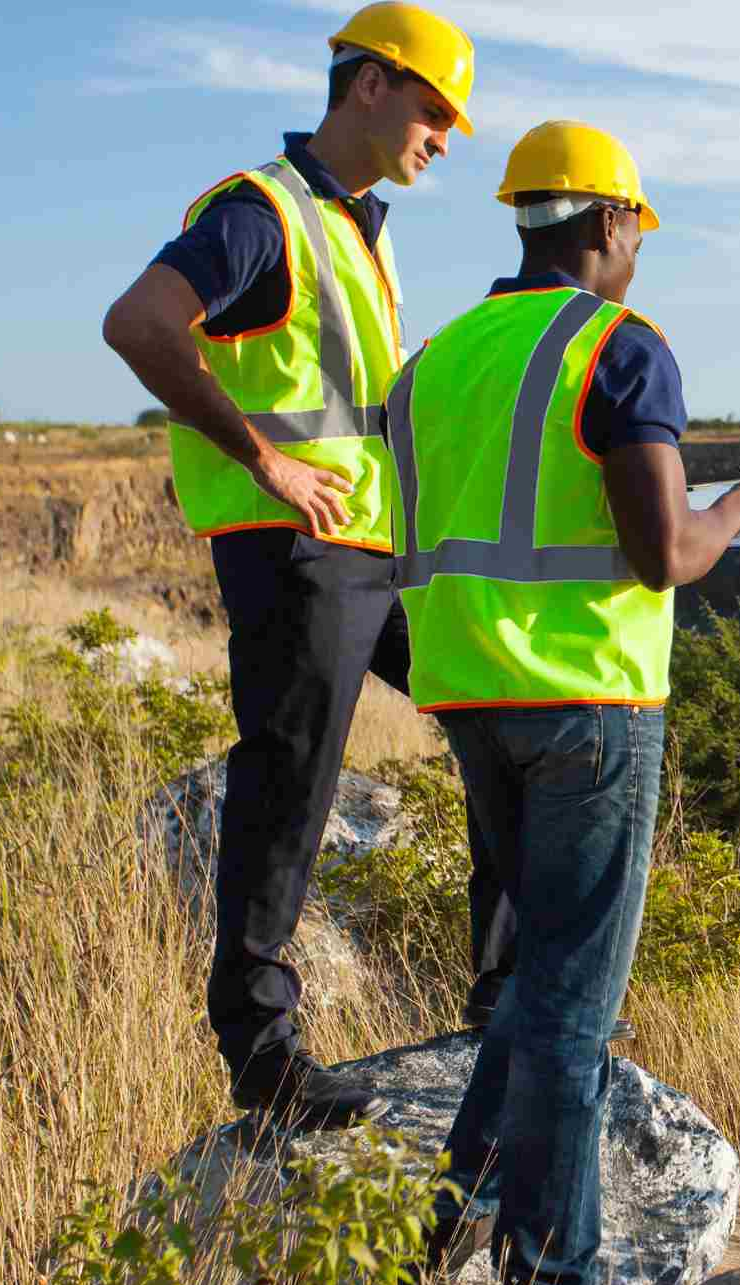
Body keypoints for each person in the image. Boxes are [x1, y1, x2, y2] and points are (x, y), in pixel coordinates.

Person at [383, 119, 740, 1285]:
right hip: (591, 705)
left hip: (469, 696)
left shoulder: (440, 360)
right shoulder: (621, 347)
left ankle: (430, 1236)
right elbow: (663, 551)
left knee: (531, 988)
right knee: (570, 1011)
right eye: (637, 231)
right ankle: (554, 1279)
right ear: (611, 223)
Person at [101, 2, 493, 1129]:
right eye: (434, 109)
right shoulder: (258, 213)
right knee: (289, 780)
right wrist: (263, 460)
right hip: (299, 549)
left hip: (378, 545)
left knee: (505, 714)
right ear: (369, 86)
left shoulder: (357, 226)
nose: (446, 136)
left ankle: (508, 997)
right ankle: (264, 1059)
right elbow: (137, 323)